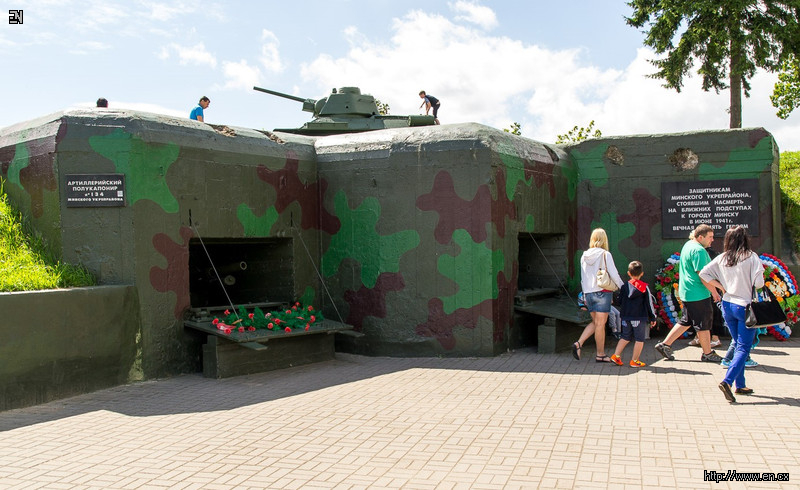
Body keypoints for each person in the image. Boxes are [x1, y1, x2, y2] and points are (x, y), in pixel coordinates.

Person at [699, 226, 764, 403]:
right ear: (745, 238)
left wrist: (721, 287)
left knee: (737, 344)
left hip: (728, 305)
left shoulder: (723, 257)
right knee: (743, 347)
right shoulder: (751, 257)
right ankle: (727, 382)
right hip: (744, 307)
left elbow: (704, 274)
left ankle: (740, 384)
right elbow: (759, 283)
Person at [653, 224, 723, 363]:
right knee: (703, 324)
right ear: (700, 237)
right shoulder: (699, 251)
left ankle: (665, 345)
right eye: (710, 237)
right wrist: (716, 290)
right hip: (698, 294)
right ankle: (708, 353)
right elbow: (703, 275)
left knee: (687, 321)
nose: (712, 240)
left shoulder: (688, 245)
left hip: (688, 292)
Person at [572, 228, 624, 362]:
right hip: (603, 292)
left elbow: (583, 278)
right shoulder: (605, 254)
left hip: (589, 293)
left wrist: (585, 295)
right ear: (604, 239)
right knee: (600, 324)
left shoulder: (584, 256)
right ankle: (600, 354)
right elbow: (614, 274)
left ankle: (579, 343)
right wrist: (623, 287)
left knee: (596, 323)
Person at [610, 261, 657, 367]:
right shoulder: (644, 287)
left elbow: (620, 301)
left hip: (625, 317)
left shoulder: (624, 286)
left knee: (625, 337)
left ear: (628, 273)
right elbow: (649, 303)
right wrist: (652, 317)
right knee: (639, 339)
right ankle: (634, 361)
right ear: (642, 273)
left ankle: (616, 356)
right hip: (639, 317)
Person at [687, 245, 724, 348]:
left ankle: (715, 338)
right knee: (699, 317)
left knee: (713, 313)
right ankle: (698, 337)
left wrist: (714, 291)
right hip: (703, 290)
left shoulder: (707, 254)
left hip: (712, 287)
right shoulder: (699, 252)